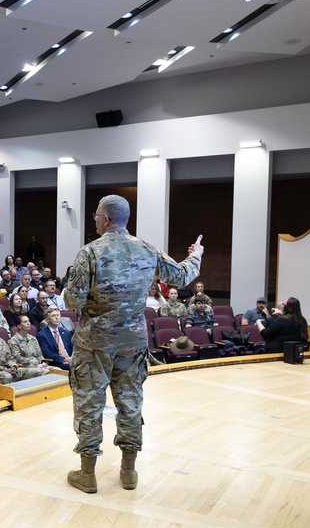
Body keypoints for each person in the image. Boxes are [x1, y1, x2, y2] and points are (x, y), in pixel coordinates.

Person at [62, 195, 203, 494]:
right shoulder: (147, 249)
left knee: (90, 404)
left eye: (95, 215)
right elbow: (183, 275)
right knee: (130, 404)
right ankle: (128, 471)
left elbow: (72, 300)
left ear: (105, 219)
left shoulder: (90, 253)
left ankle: (88, 474)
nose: (94, 220)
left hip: (94, 344)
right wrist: (197, 254)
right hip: (133, 343)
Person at [37, 306, 73, 370]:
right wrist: (64, 359)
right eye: (53, 316)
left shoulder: (65, 332)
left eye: (58, 315)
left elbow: (73, 347)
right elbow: (46, 353)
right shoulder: (42, 335)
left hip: (71, 360)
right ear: (47, 320)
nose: (57, 318)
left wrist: (73, 358)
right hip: (57, 363)